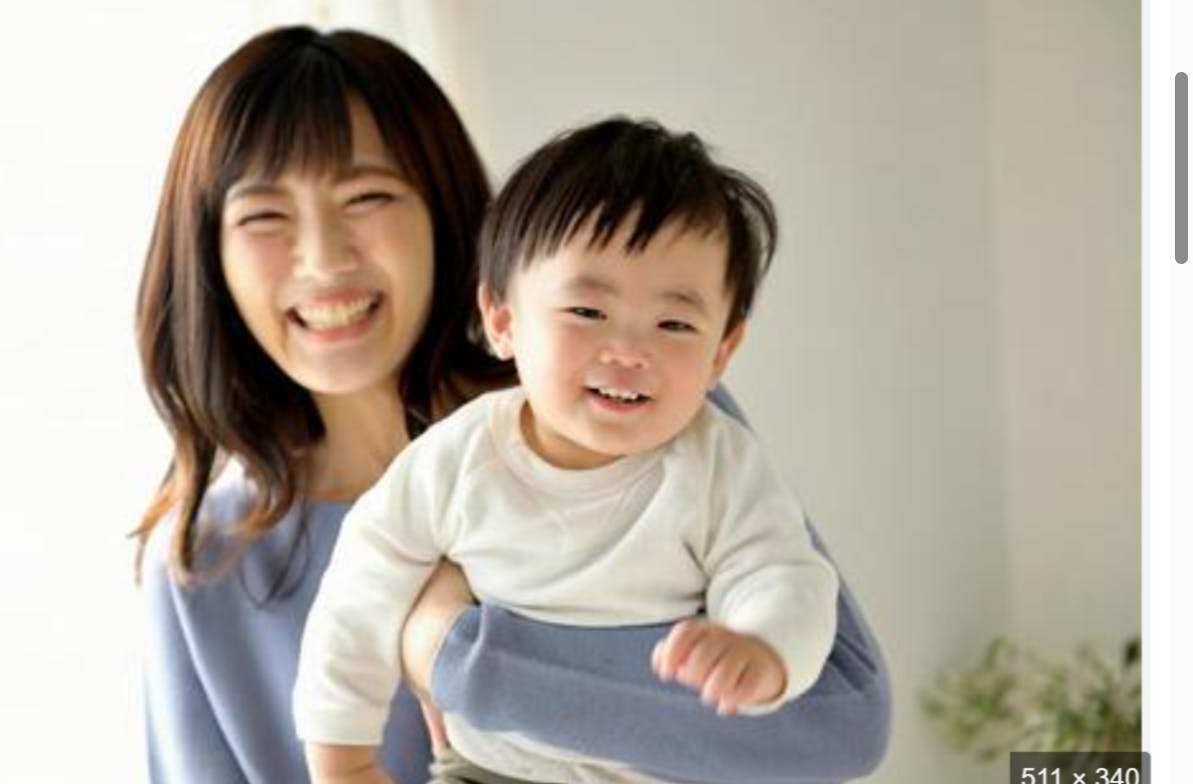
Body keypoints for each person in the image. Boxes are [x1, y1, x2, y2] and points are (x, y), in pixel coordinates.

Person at [135, 25, 891, 784]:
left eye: (367, 197)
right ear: (210, 252)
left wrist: (448, 650)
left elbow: (837, 728)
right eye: (263, 215)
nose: (325, 257)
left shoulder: (644, 420)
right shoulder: (202, 562)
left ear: (441, 211)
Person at [294, 117, 841, 784]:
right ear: (503, 320)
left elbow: (781, 572)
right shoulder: (456, 460)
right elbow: (358, 598)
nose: (628, 350)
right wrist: (344, 759)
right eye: (587, 312)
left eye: (674, 323)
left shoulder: (717, 463)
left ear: (722, 352)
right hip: (488, 772)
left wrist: (761, 646)